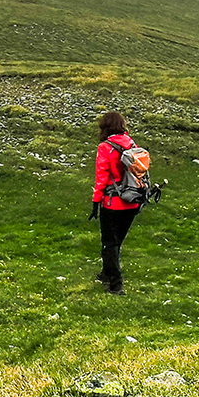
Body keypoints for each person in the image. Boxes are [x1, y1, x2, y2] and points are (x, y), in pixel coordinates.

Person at [90, 110, 143, 294]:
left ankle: (115, 284)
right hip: (133, 201)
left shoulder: (105, 147)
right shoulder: (131, 143)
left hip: (113, 203)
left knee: (109, 243)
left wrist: (96, 201)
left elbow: (101, 177)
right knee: (117, 241)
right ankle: (106, 273)